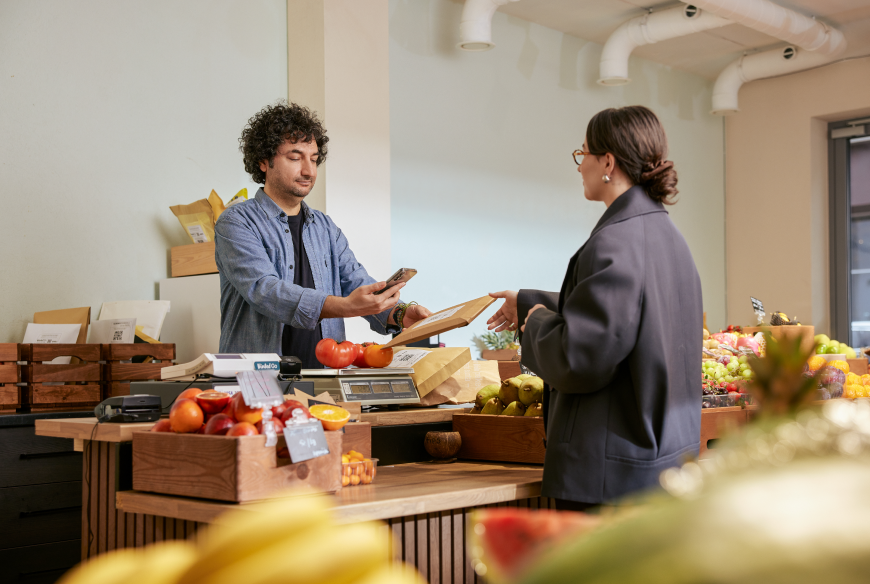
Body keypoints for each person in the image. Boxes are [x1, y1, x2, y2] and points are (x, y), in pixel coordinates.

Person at [487, 106, 703, 510]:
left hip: (609, 478)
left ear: (608, 161)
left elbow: (580, 358)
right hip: (661, 465)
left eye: (582, 154)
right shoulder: (670, 237)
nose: (580, 165)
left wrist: (534, 325)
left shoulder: (614, 241)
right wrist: (532, 303)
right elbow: (633, 315)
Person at [215, 101, 431, 367]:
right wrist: (345, 306)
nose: (309, 170)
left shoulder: (325, 227)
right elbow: (265, 291)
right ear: (263, 161)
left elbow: (356, 282)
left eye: (314, 159)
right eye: (295, 158)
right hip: (257, 380)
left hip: (324, 378)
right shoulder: (236, 222)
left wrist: (399, 314)